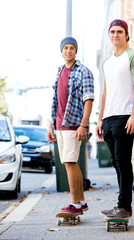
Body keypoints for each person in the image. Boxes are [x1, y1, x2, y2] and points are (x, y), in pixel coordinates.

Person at [96, 19, 134, 219]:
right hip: (108, 119)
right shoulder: (107, 62)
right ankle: (121, 205)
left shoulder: (133, 56)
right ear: (109, 36)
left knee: (124, 163)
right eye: (112, 32)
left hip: (125, 117)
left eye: (119, 31)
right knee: (116, 163)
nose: (115, 35)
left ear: (126, 35)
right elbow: (106, 91)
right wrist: (100, 119)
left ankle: (124, 207)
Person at [47, 37, 94, 215]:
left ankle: (75, 204)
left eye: (71, 48)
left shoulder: (84, 71)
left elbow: (88, 99)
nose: (68, 51)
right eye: (65, 48)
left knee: (70, 161)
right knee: (69, 163)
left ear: (76, 51)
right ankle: (80, 201)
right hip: (59, 124)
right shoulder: (59, 71)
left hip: (74, 124)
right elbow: (56, 101)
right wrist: (51, 125)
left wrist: (83, 125)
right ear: (61, 51)